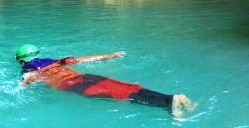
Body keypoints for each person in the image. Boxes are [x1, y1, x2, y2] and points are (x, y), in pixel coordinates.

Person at [15, 44, 196, 118]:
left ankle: (169, 103)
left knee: (121, 96)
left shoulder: (27, 69)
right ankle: (170, 98)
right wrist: (108, 56)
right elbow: (78, 60)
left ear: (22, 61)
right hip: (84, 77)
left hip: (71, 85)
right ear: (39, 54)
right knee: (127, 88)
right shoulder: (53, 60)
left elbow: (31, 79)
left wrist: (21, 87)